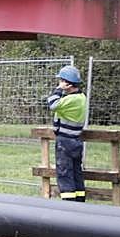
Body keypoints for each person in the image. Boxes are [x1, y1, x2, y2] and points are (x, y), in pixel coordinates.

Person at [46, 65, 88, 202]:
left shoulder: (71, 100)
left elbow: (52, 103)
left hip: (65, 142)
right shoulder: (81, 97)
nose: (59, 83)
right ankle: (80, 202)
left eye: (62, 81)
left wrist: (59, 89)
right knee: (76, 173)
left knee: (64, 174)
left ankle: (69, 205)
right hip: (76, 141)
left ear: (68, 83)